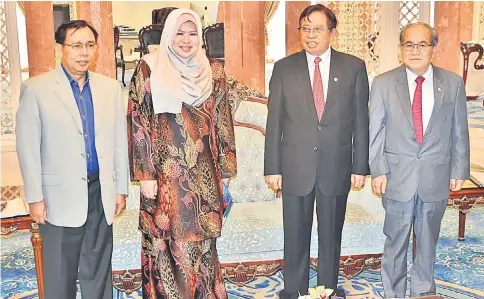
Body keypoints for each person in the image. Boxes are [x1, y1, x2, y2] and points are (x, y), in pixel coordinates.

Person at [126, 8, 237, 299]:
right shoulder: (149, 67)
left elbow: (223, 122)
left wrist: (225, 172)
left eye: (192, 33)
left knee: (202, 247)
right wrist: (145, 174)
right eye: (179, 32)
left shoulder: (214, 71)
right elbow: (138, 120)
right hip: (164, 176)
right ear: (167, 35)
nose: (186, 40)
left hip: (205, 175)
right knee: (166, 246)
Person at [16, 20, 128, 299]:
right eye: (76, 45)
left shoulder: (110, 89)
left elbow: (118, 142)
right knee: (59, 275)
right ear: (60, 49)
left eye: (90, 45)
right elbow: (28, 148)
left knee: (98, 271)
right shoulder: (36, 89)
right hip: (58, 197)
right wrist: (35, 197)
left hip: (99, 192)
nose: (84, 52)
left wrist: (120, 188)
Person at [264, 4, 370, 298]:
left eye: (317, 29)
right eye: (305, 29)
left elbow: (362, 122)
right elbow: (274, 122)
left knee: (330, 236)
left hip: (336, 165)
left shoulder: (354, 67)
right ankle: (294, 290)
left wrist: (359, 166)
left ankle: (326, 289)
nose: (310, 35)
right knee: (295, 234)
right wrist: (272, 167)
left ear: (332, 33)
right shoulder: (284, 68)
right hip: (295, 164)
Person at [369, 22, 470, 298]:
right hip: (396, 177)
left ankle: (424, 292)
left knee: (427, 241)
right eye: (408, 45)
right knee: (395, 241)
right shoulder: (383, 83)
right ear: (401, 48)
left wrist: (459, 168)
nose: (415, 51)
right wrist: (378, 169)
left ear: (433, 48)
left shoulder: (452, 84)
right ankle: (393, 293)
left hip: (434, 176)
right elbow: (376, 130)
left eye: (421, 44)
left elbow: (459, 130)